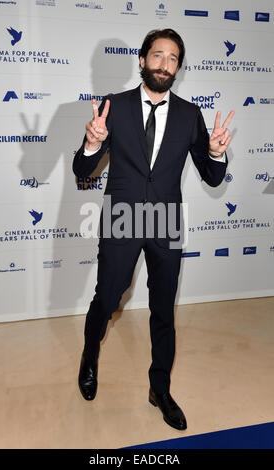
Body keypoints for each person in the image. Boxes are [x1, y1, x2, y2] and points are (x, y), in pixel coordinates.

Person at [73, 28, 234, 431]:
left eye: (173, 58)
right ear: (142, 60)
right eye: (158, 56)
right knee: (106, 298)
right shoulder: (114, 106)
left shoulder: (189, 114)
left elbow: (212, 177)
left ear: (178, 67)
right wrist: (92, 145)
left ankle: (159, 388)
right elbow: (82, 170)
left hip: (166, 223)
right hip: (121, 218)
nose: (165, 64)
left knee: (163, 308)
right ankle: (90, 355)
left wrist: (216, 152)